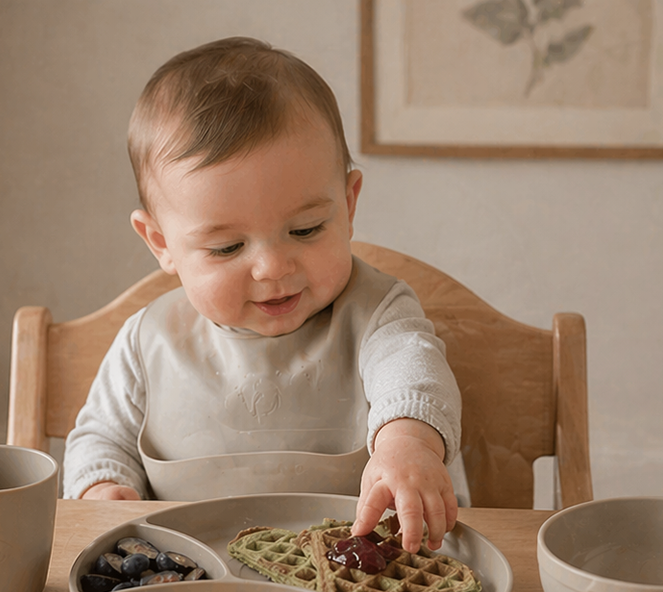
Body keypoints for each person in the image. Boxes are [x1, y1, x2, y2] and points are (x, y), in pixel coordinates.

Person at [63, 37, 465, 551]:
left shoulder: (379, 314)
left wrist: (408, 443)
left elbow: (414, 375)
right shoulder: (149, 343)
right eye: (228, 247)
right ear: (161, 243)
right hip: (194, 589)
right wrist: (103, 486)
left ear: (348, 202)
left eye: (306, 230)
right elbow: (101, 438)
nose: (273, 267)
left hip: (368, 575)